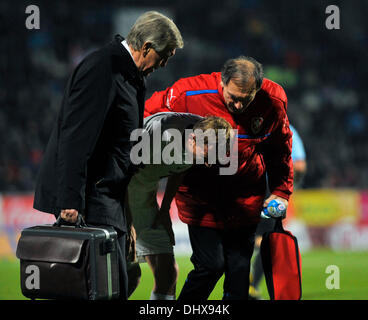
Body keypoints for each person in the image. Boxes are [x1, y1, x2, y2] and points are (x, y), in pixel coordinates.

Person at [33, 11, 183, 300]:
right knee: (104, 287)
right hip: (91, 198)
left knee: (120, 282)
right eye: (165, 56)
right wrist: (70, 202)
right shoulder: (103, 67)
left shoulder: (128, 74)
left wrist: (128, 221)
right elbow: (75, 139)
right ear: (147, 47)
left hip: (110, 199)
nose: (164, 64)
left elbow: (121, 153)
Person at [144, 56, 294, 300]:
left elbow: (281, 147)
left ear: (258, 88)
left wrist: (280, 191)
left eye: (245, 100)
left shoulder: (273, 100)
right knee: (210, 266)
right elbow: (145, 117)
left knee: (238, 273)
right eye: (232, 98)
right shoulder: (187, 93)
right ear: (221, 83)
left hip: (245, 199)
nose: (237, 106)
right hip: (200, 199)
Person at [126, 112, 234, 300]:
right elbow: (119, 176)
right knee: (128, 276)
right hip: (119, 199)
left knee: (167, 274)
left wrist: (165, 208)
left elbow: (178, 169)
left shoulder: (204, 135)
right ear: (193, 139)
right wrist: (127, 225)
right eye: (207, 157)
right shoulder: (160, 136)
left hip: (146, 197)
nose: (208, 164)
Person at [249, 124, 307, 299]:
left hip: (244, 187)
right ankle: (250, 285)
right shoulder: (287, 129)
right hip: (273, 191)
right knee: (271, 239)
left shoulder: (244, 121)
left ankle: (245, 284)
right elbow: (299, 166)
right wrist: (290, 186)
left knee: (253, 236)